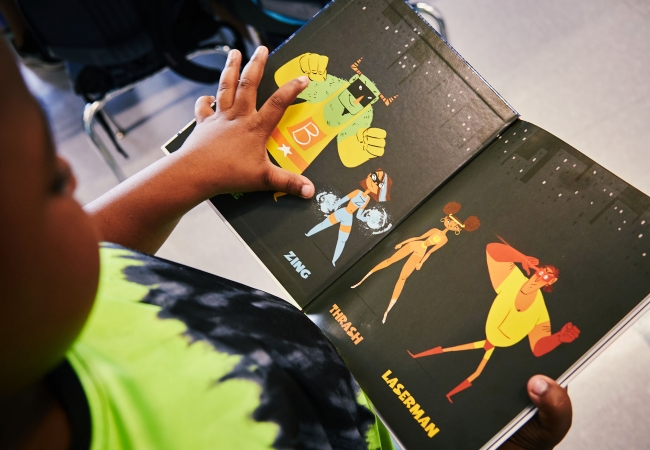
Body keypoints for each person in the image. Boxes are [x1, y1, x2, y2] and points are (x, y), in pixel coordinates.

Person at [0, 38, 572, 449]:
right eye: (51, 187)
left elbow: (93, 248)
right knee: (393, 277)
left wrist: (189, 171)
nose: (76, 184)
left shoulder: (50, 297)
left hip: (337, 373)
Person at [408, 242, 580, 404]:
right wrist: (520, 257)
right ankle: (416, 357)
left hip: (497, 343)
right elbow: (492, 250)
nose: (541, 276)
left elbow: (538, 347)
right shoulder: (511, 279)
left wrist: (558, 338)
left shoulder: (540, 312)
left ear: (550, 282)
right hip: (488, 336)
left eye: (547, 277)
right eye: (542, 271)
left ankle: (449, 394)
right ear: (537, 269)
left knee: (476, 372)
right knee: (449, 349)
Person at [352, 201, 480, 323]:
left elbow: (430, 252)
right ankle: (362, 280)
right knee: (390, 260)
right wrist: (402, 243)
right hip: (414, 245)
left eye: (454, 225)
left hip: (421, 253)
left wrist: (421, 263)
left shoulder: (444, 240)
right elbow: (419, 237)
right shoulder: (435, 230)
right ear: (446, 218)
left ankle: (387, 310)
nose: (450, 225)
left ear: (456, 229)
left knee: (403, 277)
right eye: (450, 221)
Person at [306, 169, 392, 266]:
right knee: (323, 224)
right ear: (369, 176)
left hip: (348, 218)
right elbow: (344, 199)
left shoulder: (367, 199)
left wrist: (367, 219)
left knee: (342, 240)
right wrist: (334, 206)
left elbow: (359, 215)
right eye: (374, 178)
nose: (374, 184)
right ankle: (308, 234)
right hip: (342, 212)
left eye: (379, 185)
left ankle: (333, 260)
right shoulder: (357, 192)